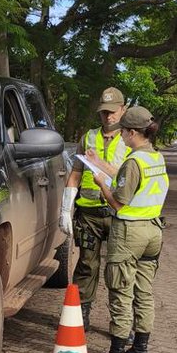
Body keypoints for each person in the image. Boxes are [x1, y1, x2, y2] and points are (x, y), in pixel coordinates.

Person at [87, 106, 169, 353]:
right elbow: (133, 185)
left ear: (133, 132)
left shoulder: (133, 162)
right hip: (153, 232)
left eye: (123, 131)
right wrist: (100, 163)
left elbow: (119, 202)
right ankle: (140, 352)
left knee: (120, 291)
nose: (120, 135)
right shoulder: (155, 158)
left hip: (130, 232)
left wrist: (101, 184)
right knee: (143, 292)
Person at [59, 87, 129, 330]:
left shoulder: (132, 139)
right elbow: (76, 173)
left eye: (113, 112)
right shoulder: (88, 137)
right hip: (88, 213)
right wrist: (66, 208)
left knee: (119, 269)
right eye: (104, 113)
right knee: (87, 265)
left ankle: (121, 323)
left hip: (119, 214)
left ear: (123, 109)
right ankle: (80, 316)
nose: (108, 117)